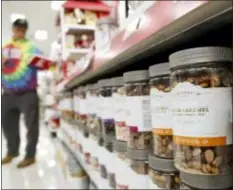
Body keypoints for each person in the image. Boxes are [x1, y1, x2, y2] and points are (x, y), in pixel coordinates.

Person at [2, 19, 42, 168]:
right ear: (13, 29)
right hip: (7, 93)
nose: (19, 32)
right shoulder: (4, 48)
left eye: (22, 29)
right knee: (7, 125)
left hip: (27, 93)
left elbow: (43, 64)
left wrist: (43, 63)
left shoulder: (32, 48)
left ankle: (30, 156)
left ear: (25, 30)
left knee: (31, 126)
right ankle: (12, 151)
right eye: (17, 29)